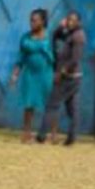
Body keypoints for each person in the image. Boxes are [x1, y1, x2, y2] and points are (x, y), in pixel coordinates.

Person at [36, 11, 86, 146]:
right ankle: (71, 138)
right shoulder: (69, 33)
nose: (69, 22)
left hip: (68, 76)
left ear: (78, 22)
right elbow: (56, 36)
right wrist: (60, 27)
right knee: (72, 108)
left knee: (52, 105)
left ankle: (41, 135)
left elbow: (75, 59)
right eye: (68, 19)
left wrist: (61, 73)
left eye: (73, 20)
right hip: (73, 76)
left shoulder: (78, 37)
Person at [11, 9, 54, 144]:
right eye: (31, 20)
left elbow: (55, 57)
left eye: (35, 20)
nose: (32, 23)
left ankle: (52, 134)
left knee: (50, 104)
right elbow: (21, 58)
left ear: (42, 21)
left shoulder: (49, 38)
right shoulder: (25, 38)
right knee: (29, 104)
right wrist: (15, 75)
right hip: (30, 74)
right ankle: (26, 133)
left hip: (45, 74)